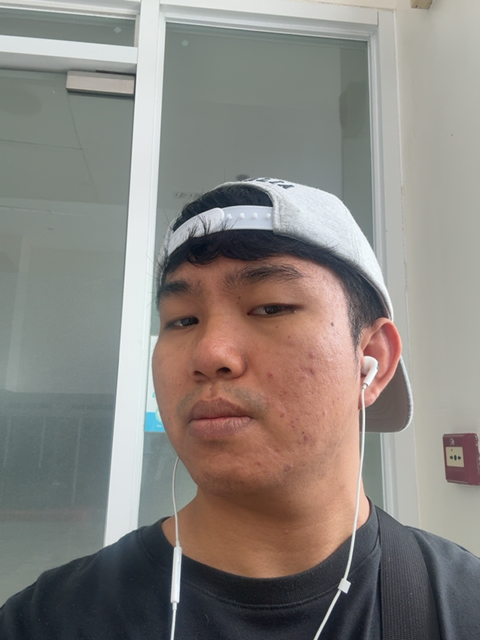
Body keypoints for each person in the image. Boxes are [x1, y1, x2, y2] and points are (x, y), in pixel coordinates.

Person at [1, 177, 479, 639]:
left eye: (270, 308)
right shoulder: (46, 620)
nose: (209, 353)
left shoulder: (461, 609)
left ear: (371, 360)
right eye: (182, 320)